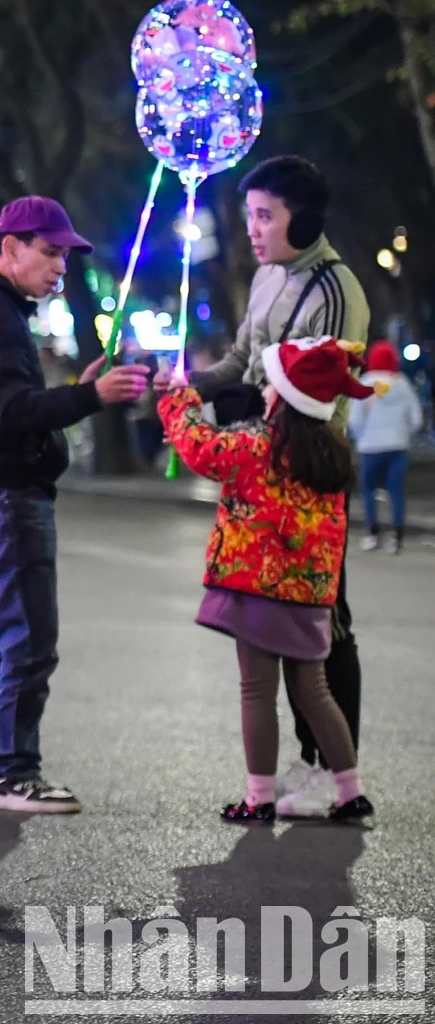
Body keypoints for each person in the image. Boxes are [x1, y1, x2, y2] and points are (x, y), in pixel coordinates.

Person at [0, 196, 149, 814]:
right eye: (51, 251)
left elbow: (13, 401)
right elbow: (13, 411)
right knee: (28, 642)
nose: (61, 266)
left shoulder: (0, 310)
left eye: (65, 253)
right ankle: (11, 772)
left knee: (3, 641)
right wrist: (90, 396)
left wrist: (78, 391)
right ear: (11, 246)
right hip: (4, 499)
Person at [190, 155, 368, 821]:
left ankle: (330, 768)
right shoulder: (266, 277)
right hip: (265, 473)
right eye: (249, 216)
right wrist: (191, 387)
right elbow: (243, 357)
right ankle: (311, 763)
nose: (254, 230)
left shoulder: (337, 287)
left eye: (266, 216)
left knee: (325, 631)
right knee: (278, 628)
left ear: (304, 217)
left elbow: (322, 394)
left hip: (310, 482)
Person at [157, 337, 374, 826]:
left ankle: (258, 798)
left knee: (257, 691)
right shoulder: (332, 455)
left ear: (284, 396)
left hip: (259, 590)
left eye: (271, 385)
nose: (265, 393)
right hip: (311, 595)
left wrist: (178, 398)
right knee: (314, 691)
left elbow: (198, 447)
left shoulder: (257, 448)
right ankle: (350, 791)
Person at [348, 340, 420, 554]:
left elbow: (354, 420)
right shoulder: (404, 385)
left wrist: (362, 438)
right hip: (397, 446)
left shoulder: (364, 383)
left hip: (369, 447)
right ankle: (396, 536)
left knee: (368, 491)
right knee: (396, 492)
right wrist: (403, 435)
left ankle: (372, 533)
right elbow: (416, 419)